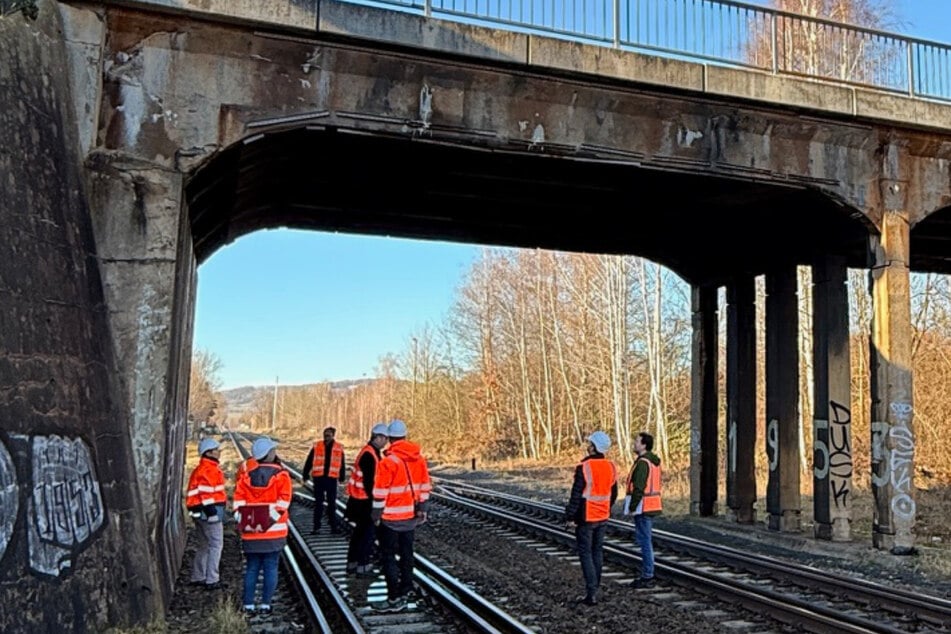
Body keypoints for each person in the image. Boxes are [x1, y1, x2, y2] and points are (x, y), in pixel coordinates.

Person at [371, 419, 432, 612]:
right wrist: (422, 508)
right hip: (410, 517)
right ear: (405, 436)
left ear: (390, 439)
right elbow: (424, 486)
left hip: (390, 519)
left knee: (388, 556)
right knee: (407, 555)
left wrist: (376, 515)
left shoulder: (387, 462)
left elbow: (380, 493)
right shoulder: (419, 459)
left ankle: (393, 598)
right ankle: (406, 590)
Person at [233, 437, 293, 616]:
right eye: (273, 450)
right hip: (274, 534)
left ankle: (248, 604)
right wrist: (269, 521)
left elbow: (237, 504)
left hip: (251, 533)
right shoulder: (282, 476)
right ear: (269, 454)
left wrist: (247, 523)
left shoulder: (245, 477)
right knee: (271, 567)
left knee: (252, 567)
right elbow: (284, 503)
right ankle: (266, 604)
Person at [564, 431, 618, 606]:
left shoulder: (584, 468)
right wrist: (606, 507)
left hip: (586, 517)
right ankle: (595, 588)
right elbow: (614, 493)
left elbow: (576, 495)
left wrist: (570, 516)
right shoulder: (611, 467)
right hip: (603, 516)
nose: (588, 446)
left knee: (586, 553)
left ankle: (591, 592)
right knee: (597, 551)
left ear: (594, 447)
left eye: (590, 444)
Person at [344, 423, 390, 575]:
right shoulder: (370, 455)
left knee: (359, 533)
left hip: (358, 500)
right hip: (364, 502)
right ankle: (363, 566)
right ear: (378, 437)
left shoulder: (370, 452)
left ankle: (353, 564)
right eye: (385, 438)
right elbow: (370, 482)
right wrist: (377, 502)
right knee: (367, 534)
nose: (386, 442)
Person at [185, 437, 227, 589]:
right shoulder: (209, 470)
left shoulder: (201, 468)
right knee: (216, 545)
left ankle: (198, 576)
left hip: (199, 513)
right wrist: (212, 513)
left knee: (203, 545)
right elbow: (206, 494)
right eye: (217, 450)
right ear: (209, 452)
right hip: (209, 513)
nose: (219, 452)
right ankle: (212, 579)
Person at [625, 431, 662, 588]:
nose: (634, 443)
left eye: (637, 441)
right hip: (652, 505)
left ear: (644, 445)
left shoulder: (642, 464)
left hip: (643, 506)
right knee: (645, 540)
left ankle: (648, 574)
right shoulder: (653, 462)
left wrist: (633, 507)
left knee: (644, 541)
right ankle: (648, 572)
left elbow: (639, 487)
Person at [302, 426, 347, 534]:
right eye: (325, 434)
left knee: (331, 504)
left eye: (329, 434)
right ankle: (316, 527)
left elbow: (342, 463)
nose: (326, 436)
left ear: (333, 435)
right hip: (319, 479)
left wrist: (341, 476)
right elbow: (309, 460)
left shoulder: (338, 447)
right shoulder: (317, 446)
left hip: (331, 479)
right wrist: (305, 473)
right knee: (319, 504)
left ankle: (333, 527)